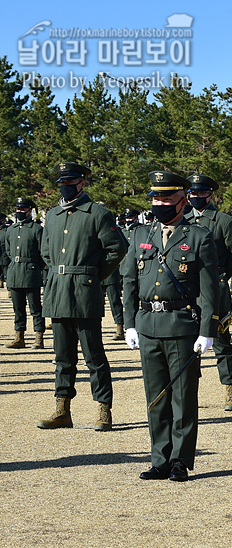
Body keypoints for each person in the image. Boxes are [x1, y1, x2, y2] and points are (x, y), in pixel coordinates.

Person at [123, 171, 219, 481]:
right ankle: (159, 459)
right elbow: (128, 280)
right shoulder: (140, 235)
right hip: (148, 324)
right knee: (156, 397)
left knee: (183, 397)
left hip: (181, 327)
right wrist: (128, 324)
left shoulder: (198, 236)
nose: (159, 203)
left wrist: (207, 330)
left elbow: (209, 289)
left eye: (165, 198)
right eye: (155, 198)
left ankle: (180, 460)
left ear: (182, 200)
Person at [37, 162, 129, 431]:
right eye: (62, 182)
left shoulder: (97, 213)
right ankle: (62, 410)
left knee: (94, 356)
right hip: (57, 291)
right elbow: (45, 252)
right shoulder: (52, 215)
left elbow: (117, 249)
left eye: (71, 181)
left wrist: (93, 276)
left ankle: (103, 410)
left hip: (84, 292)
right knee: (62, 357)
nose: (66, 186)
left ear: (82, 183)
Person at [185, 174, 232, 410]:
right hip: (188, 292)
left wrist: (222, 275)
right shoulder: (183, 219)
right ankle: (189, 391)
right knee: (188, 344)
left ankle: (230, 389)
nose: (196, 197)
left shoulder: (223, 221)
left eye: (201, 193)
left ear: (211, 195)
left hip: (212, 292)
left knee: (220, 341)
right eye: (192, 193)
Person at [3, 198, 46, 349]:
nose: (19, 212)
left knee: (35, 308)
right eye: (18, 209)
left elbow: (43, 253)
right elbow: (8, 251)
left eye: (23, 210)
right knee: (18, 308)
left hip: (31, 273)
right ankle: (19, 337)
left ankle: (38, 338)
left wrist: (34, 266)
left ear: (29, 211)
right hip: (15, 272)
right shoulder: (11, 229)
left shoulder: (36, 229)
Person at [101, 210, 128, 341]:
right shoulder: (92, 227)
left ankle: (119, 328)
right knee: (94, 303)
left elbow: (123, 247)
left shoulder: (114, 229)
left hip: (110, 272)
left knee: (115, 301)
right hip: (96, 272)